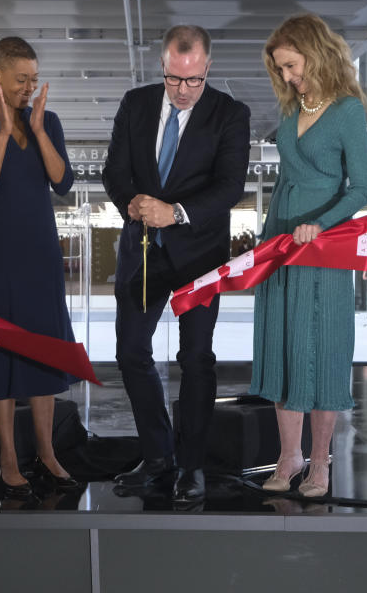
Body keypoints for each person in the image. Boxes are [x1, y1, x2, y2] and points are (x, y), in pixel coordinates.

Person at [102, 25, 250, 503]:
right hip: (141, 250)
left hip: (199, 255)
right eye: (173, 80)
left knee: (195, 361)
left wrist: (176, 213)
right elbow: (113, 170)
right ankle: (159, 456)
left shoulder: (231, 114)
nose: (183, 91)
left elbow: (229, 186)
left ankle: (192, 467)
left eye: (193, 80)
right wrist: (132, 203)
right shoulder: (135, 103)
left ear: (207, 68)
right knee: (130, 354)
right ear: (162, 66)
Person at [251, 14, 367, 498]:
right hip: (282, 242)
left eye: (292, 65)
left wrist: (320, 225)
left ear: (316, 53)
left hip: (323, 247)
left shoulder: (346, 111)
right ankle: (288, 457)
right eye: (280, 69)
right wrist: (266, 240)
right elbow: (285, 179)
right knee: (283, 348)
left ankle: (320, 463)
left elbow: (360, 188)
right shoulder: (290, 110)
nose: (287, 76)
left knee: (320, 353)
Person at [0, 36, 79, 499]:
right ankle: (9, 455)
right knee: (2, 350)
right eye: (21, 79)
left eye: (33, 79)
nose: (29, 87)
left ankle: (47, 453)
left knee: (43, 347)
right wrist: (5, 134)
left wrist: (39, 130)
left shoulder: (48, 121)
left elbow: (63, 181)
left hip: (41, 249)